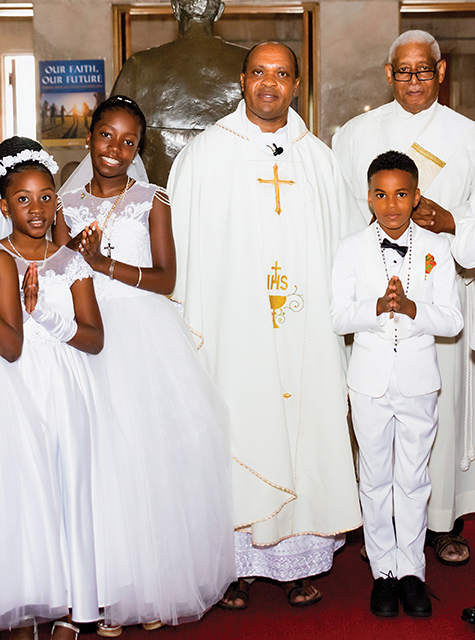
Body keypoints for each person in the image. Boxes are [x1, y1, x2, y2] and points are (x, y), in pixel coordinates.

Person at [168, 42, 363, 608]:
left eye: (282, 74)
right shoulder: (205, 154)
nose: (270, 84)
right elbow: (180, 247)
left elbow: (346, 246)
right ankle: (237, 564)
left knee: (305, 428)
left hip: (304, 329)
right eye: (259, 73)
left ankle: (300, 560)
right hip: (234, 327)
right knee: (239, 426)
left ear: (296, 85)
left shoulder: (319, 159)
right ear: (242, 79)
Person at [54, 95, 235, 634]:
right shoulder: (63, 204)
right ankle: (110, 589)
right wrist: (73, 261)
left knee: (149, 458)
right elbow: (61, 278)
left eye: (128, 141)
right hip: (89, 334)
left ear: (139, 149)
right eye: (106, 135)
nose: (115, 149)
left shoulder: (153, 199)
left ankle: (155, 587)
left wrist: (104, 262)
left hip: (143, 333)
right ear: (90, 137)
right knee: (99, 464)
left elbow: (165, 278)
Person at [332, 29, 475, 566]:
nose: (413, 80)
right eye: (402, 70)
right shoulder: (356, 133)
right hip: (375, 298)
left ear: (441, 73)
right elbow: (347, 215)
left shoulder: (469, 134)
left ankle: (439, 524)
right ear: (388, 74)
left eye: (424, 69)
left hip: (443, 287)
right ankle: (379, 534)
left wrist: (453, 221)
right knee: (374, 419)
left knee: (439, 406)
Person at [332, 150, 463, 617]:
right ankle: (383, 572)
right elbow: (337, 316)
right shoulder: (350, 248)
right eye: (381, 195)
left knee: (413, 478)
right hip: (367, 383)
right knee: (375, 478)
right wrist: (377, 306)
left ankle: (412, 572)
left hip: (419, 382)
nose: (391, 205)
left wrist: (411, 309)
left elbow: (451, 321)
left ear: (416, 196)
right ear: (368, 197)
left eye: (401, 194)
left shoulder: (438, 248)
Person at [0, 136, 104, 639]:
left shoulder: (70, 261)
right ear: (4, 205)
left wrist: (46, 316)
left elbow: (95, 337)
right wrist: (25, 314)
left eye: (46, 197)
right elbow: (12, 348)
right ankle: (27, 604)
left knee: (71, 493)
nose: (36, 208)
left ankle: (74, 609)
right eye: (23, 198)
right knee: (28, 500)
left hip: (64, 386)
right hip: (17, 391)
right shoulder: (0, 258)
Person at [0, 250, 68, 638]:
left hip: (14, 383)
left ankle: (31, 614)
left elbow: (12, 346)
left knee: (23, 505)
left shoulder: (2, 263)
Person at [111, 0, 247, 186]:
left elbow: (110, 135)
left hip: (158, 195)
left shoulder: (140, 64)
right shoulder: (250, 65)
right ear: (219, 12)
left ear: (175, 9)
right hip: (229, 187)